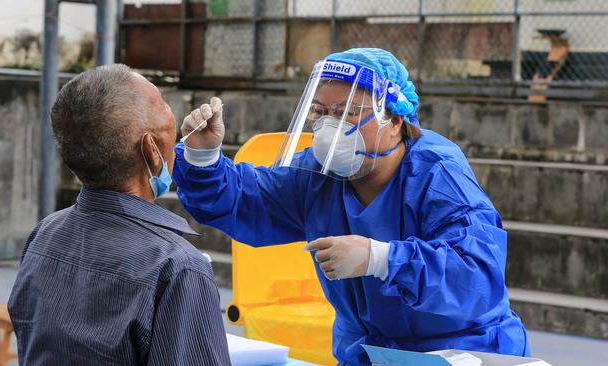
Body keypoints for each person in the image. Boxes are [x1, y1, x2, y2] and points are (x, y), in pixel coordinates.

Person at [173, 48, 530, 365]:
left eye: (346, 113)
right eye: (320, 112)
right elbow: (245, 198)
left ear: (395, 120)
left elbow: (477, 275)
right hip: (367, 355)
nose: (329, 127)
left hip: (462, 353)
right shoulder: (317, 174)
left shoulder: (439, 176)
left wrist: (380, 258)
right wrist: (203, 155)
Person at [7, 64, 230, 365]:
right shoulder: (176, 269)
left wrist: (203, 155)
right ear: (152, 150)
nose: (175, 120)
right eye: (164, 104)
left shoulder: (45, 235)